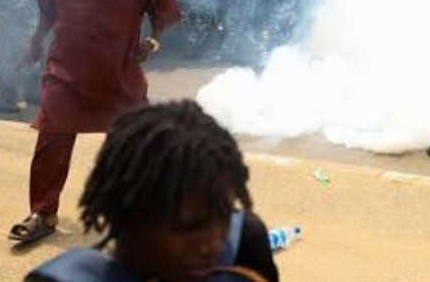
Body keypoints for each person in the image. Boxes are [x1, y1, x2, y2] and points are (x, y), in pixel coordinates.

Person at [8, 0, 180, 244]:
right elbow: (46, 14)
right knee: (51, 141)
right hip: (66, 75)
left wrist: (154, 41)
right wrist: (34, 45)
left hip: (117, 75)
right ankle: (42, 212)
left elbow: (167, 7)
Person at [25, 101, 278, 282]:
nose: (212, 244)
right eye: (187, 227)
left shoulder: (242, 241)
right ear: (127, 216)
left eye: (223, 214)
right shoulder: (66, 277)